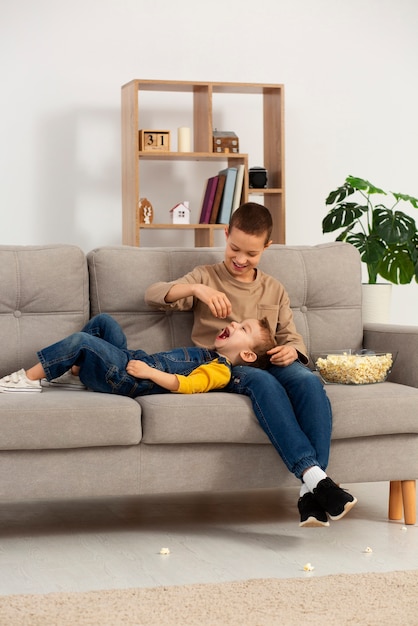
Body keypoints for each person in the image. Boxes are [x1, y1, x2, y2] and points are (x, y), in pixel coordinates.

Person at [145, 202, 357, 527]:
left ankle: (311, 491)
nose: (241, 260)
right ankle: (317, 481)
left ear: (266, 248)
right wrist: (196, 289)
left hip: (271, 361)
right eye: (234, 249)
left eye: (252, 254)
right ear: (225, 234)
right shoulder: (206, 276)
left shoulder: (274, 288)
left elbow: (293, 338)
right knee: (264, 383)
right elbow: (153, 294)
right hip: (227, 365)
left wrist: (292, 352)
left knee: (308, 381)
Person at [0, 313, 275, 397]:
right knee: (104, 322)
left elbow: (189, 385)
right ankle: (75, 374)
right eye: (238, 322)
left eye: (243, 329)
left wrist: (150, 373)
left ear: (248, 355)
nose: (234, 324)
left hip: (128, 378)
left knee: (82, 341)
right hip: (134, 360)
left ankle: (28, 379)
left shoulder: (221, 369)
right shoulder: (209, 352)